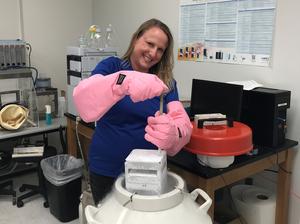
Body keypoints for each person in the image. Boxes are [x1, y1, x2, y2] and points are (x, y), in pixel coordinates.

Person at [73, 18, 192, 205]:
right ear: (136, 39)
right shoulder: (112, 67)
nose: (153, 53)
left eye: (160, 49)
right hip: (107, 168)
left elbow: (181, 121)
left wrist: (174, 134)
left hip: (147, 172)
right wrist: (123, 81)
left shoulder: (165, 82)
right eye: (150, 44)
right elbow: (84, 101)